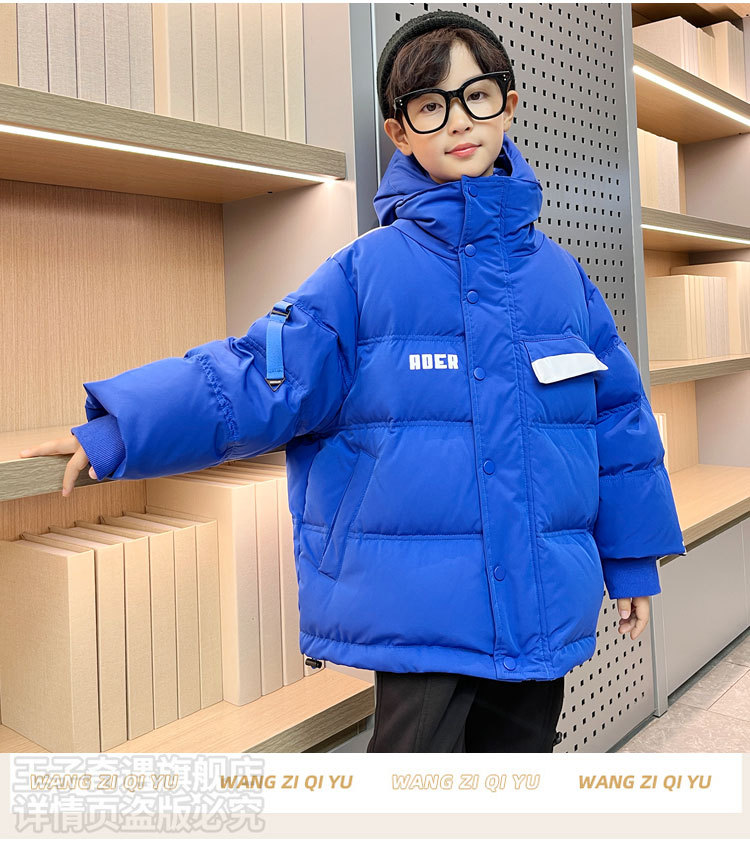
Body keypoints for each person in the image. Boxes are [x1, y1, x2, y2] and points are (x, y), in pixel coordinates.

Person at [19, 10, 686, 753]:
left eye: (477, 95)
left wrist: (632, 560)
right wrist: (123, 427)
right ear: (400, 132)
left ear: (509, 106)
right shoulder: (365, 272)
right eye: (430, 105)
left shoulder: (563, 279)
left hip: (542, 602)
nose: (458, 120)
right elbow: (260, 374)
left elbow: (617, 424)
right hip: (420, 613)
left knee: (519, 780)